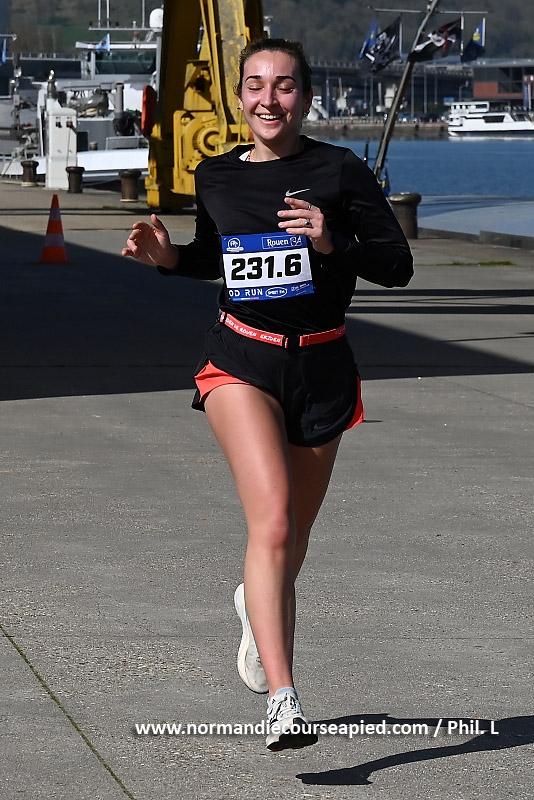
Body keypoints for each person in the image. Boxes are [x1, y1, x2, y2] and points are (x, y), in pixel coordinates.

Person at [122, 37, 413, 752]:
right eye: (255, 85)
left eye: (284, 86)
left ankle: (255, 608)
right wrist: (168, 258)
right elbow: (213, 255)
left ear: (305, 97)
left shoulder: (338, 171)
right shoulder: (216, 174)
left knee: (292, 538)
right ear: (239, 97)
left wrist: (331, 240)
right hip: (240, 360)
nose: (268, 99)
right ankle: (285, 701)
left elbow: (397, 265)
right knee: (275, 524)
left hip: (322, 367)